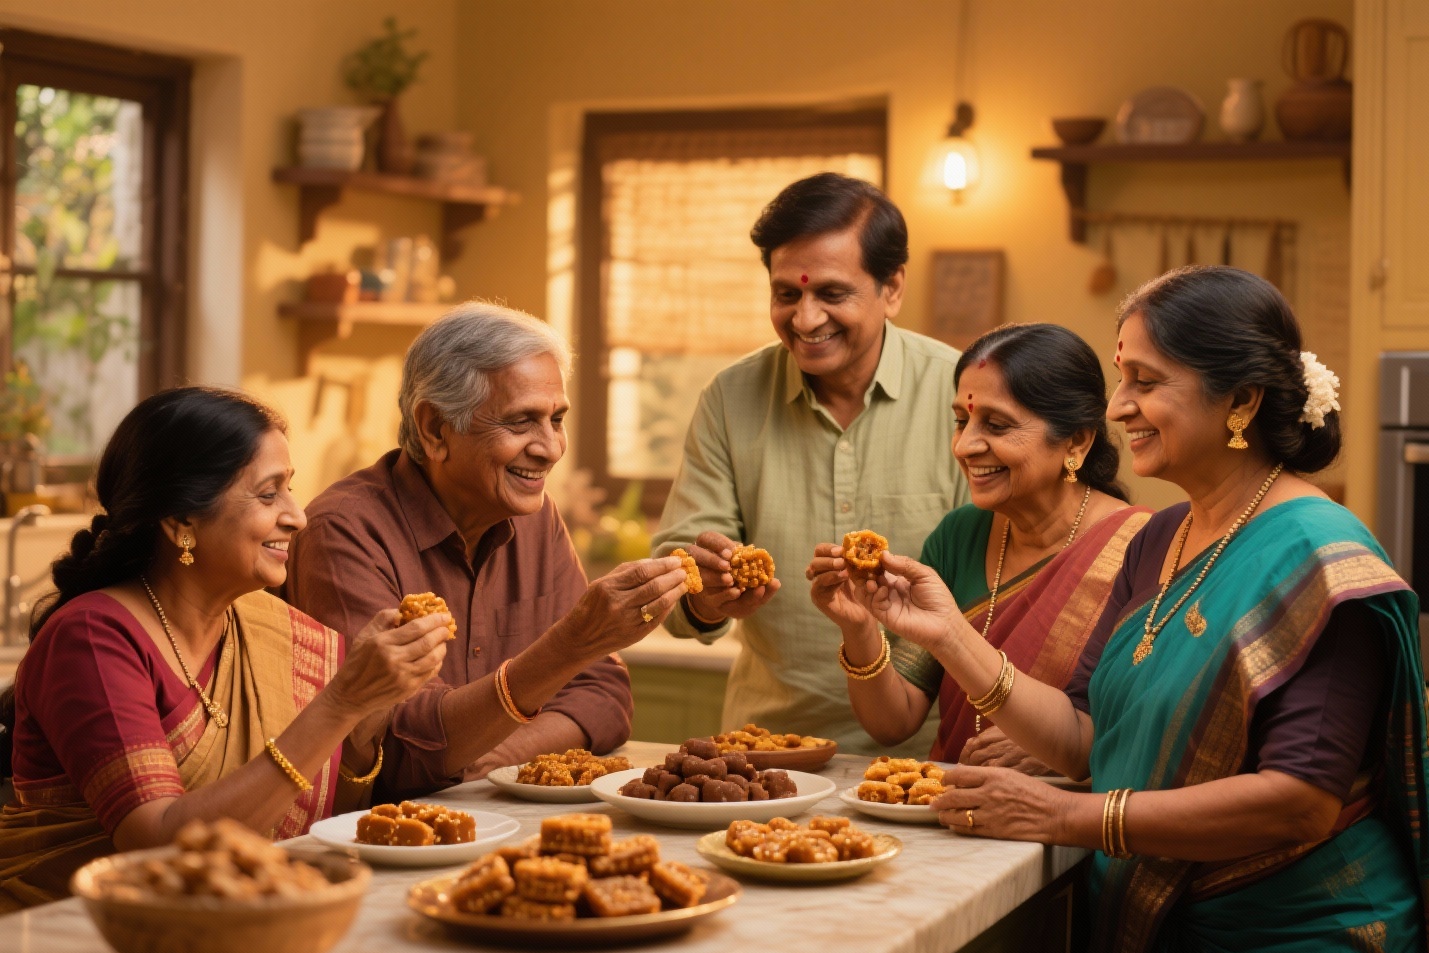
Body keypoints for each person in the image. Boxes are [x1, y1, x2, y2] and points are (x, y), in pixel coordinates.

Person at [846, 266, 1429, 953]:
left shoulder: (1319, 560)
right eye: (1119, 378)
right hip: (1174, 931)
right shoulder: (1162, 541)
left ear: (1241, 400)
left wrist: (1069, 818)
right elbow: (1084, 738)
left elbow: (1301, 803)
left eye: (1145, 380)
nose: (1118, 408)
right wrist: (946, 634)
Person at [0, 387, 451, 911]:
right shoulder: (93, 640)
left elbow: (322, 811)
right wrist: (342, 703)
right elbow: (160, 848)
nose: (297, 516)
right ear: (181, 522)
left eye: (290, 489)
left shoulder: (269, 627)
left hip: (241, 924)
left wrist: (370, 710)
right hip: (71, 942)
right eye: (268, 494)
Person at [285, 303, 688, 797]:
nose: (550, 448)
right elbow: (402, 751)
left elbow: (604, 696)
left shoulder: (537, 518)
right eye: (521, 422)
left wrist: (500, 753)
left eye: (556, 419)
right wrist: (570, 645)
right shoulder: (344, 533)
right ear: (435, 429)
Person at [651, 172, 968, 755]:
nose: (805, 319)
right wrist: (704, 593)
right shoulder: (732, 397)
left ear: (892, 287)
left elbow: (995, 589)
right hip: (766, 755)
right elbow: (673, 584)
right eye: (787, 294)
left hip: (932, 759)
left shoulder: (961, 395)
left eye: (832, 293)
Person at [806, 323, 1149, 763]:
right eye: (961, 421)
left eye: (997, 425)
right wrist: (859, 629)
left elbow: (1142, 731)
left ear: (1076, 440)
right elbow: (893, 724)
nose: (965, 446)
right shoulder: (960, 535)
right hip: (953, 805)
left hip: (1067, 814)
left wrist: (1062, 749)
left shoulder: (1141, 547)